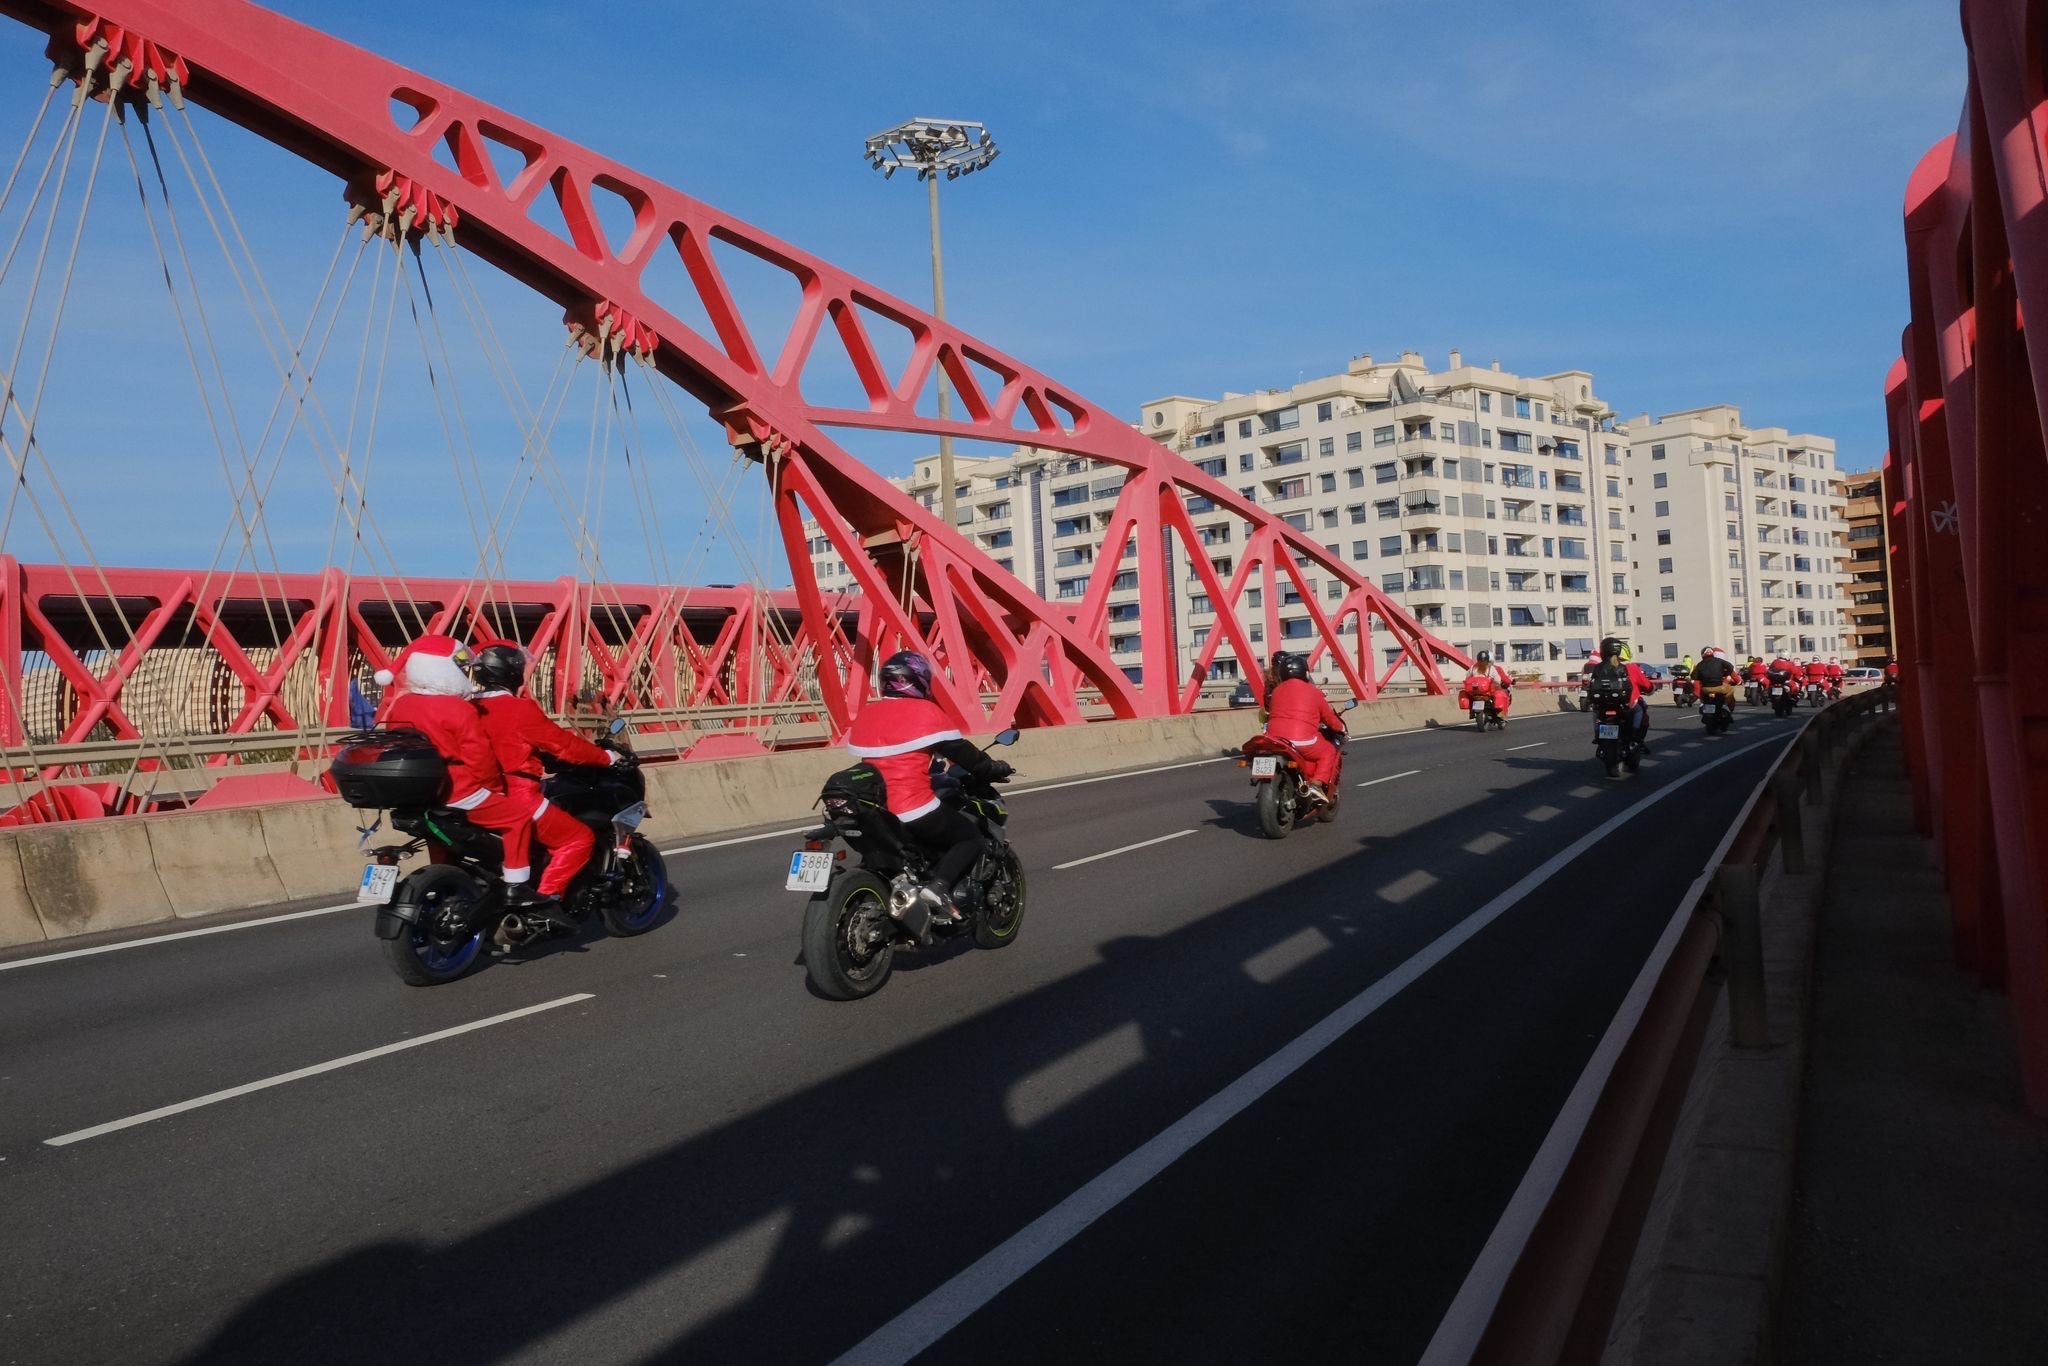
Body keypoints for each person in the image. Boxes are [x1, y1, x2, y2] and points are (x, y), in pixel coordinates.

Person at [375, 635, 545, 915]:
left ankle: (447, 876)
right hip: (459, 790)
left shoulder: (403, 705)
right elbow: (480, 758)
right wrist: (495, 788)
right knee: (517, 817)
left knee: (439, 833)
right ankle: (517, 886)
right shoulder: (459, 709)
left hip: (421, 792)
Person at [845, 650, 1011, 933]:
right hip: (912, 806)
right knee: (969, 836)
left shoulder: (868, 714)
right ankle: (939, 887)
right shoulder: (927, 713)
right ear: (920, 680)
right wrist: (992, 767)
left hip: (873, 807)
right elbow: (964, 754)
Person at [470, 644, 625, 922]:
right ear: (512, 673)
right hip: (517, 795)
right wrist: (606, 756)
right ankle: (546, 903)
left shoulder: (469, 707)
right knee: (578, 839)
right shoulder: (518, 709)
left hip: (477, 796)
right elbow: (563, 745)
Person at [1263, 650, 1348, 803]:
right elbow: (1329, 719)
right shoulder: (1314, 692)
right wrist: (1341, 729)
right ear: (1306, 673)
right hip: (1302, 740)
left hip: (1274, 738)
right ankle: (1316, 785)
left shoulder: (1276, 691)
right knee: (1327, 751)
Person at [1587, 634, 1656, 751]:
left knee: (1596, 712)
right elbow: (1640, 685)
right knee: (1639, 709)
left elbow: (1590, 684)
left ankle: (1597, 734)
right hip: (1623, 704)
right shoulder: (1627, 668)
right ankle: (1635, 737)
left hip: (1602, 704)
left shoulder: (1597, 668)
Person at [1462, 650, 1515, 725]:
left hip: (1475, 691)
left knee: (1469, 695)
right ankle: (1499, 714)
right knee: (1500, 694)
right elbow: (1498, 679)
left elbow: (1467, 678)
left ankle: (1471, 712)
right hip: (1487, 692)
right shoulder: (1491, 668)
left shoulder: (1473, 667)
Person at [1692, 646, 1739, 719]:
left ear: (1702, 655)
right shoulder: (1719, 661)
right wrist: (1725, 673)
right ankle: (1725, 706)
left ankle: (1703, 704)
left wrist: (1701, 678)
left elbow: (1693, 676)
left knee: (1701, 692)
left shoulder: (1700, 664)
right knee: (1731, 690)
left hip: (1706, 688)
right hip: (1719, 686)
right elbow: (1730, 666)